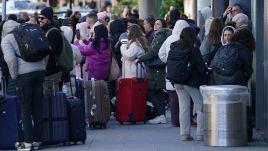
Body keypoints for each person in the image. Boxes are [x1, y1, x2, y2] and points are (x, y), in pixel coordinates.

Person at [1, 20, 46, 151]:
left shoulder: (6, 39)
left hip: (24, 75)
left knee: (25, 109)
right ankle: (38, 140)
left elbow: (10, 59)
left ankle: (28, 143)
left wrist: (14, 75)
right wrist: (41, 68)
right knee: (38, 106)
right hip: (40, 71)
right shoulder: (29, 32)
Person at [171, 27, 207, 141]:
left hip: (176, 81)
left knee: (184, 107)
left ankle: (184, 134)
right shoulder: (193, 50)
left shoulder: (174, 47)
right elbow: (201, 67)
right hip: (190, 82)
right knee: (201, 106)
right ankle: (200, 133)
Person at [135, 18, 171, 124]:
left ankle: (160, 114)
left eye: (158, 24)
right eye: (155, 23)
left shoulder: (160, 35)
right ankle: (161, 114)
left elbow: (154, 51)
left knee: (153, 90)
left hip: (156, 69)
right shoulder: (160, 34)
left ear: (163, 25)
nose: (156, 25)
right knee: (157, 91)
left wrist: (140, 58)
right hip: (158, 68)